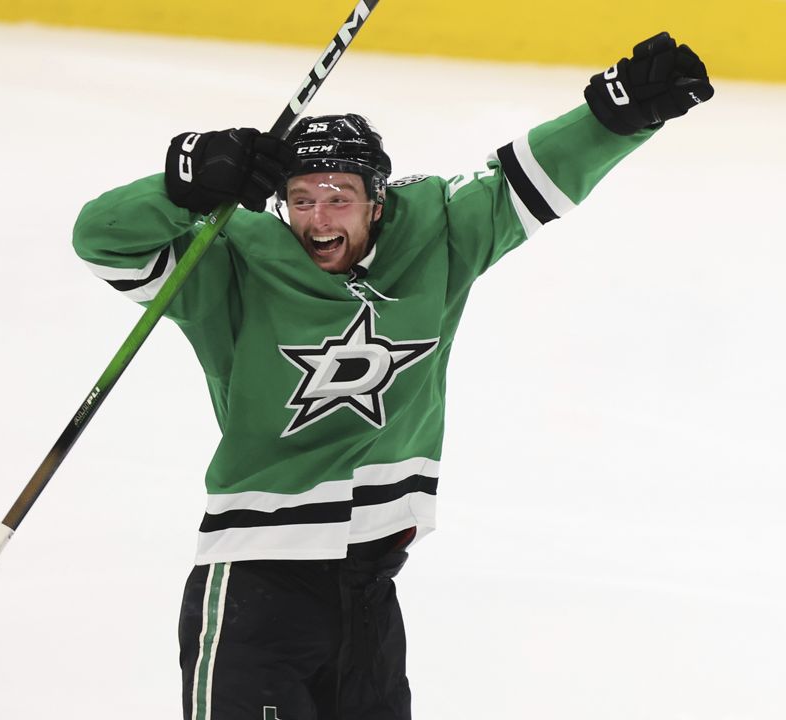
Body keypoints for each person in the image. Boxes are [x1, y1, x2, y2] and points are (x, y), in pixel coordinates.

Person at [72, 31, 713, 720]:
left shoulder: (436, 233)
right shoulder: (234, 259)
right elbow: (101, 240)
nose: (317, 219)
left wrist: (616, 117)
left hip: (371, 593)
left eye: (338, 198)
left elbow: (521, 184)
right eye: (300, 200)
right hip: (258, 588)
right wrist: (183, 186)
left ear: (377, 201)